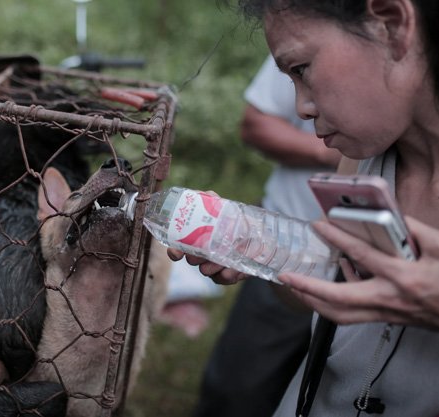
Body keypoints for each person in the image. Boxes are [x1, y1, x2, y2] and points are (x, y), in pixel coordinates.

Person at [171, 0, 439, 415]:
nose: (301, 108)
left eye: (301, 70)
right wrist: (261, 252)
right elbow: (331, 291)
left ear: (391, 24)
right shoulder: (366, 163)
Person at [191, 54, 340, 417]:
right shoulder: (312, 29)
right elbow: (256, 123)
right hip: (288, 249)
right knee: (237, 391)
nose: (304, 107)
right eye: (294, 77)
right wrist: (260, 251)